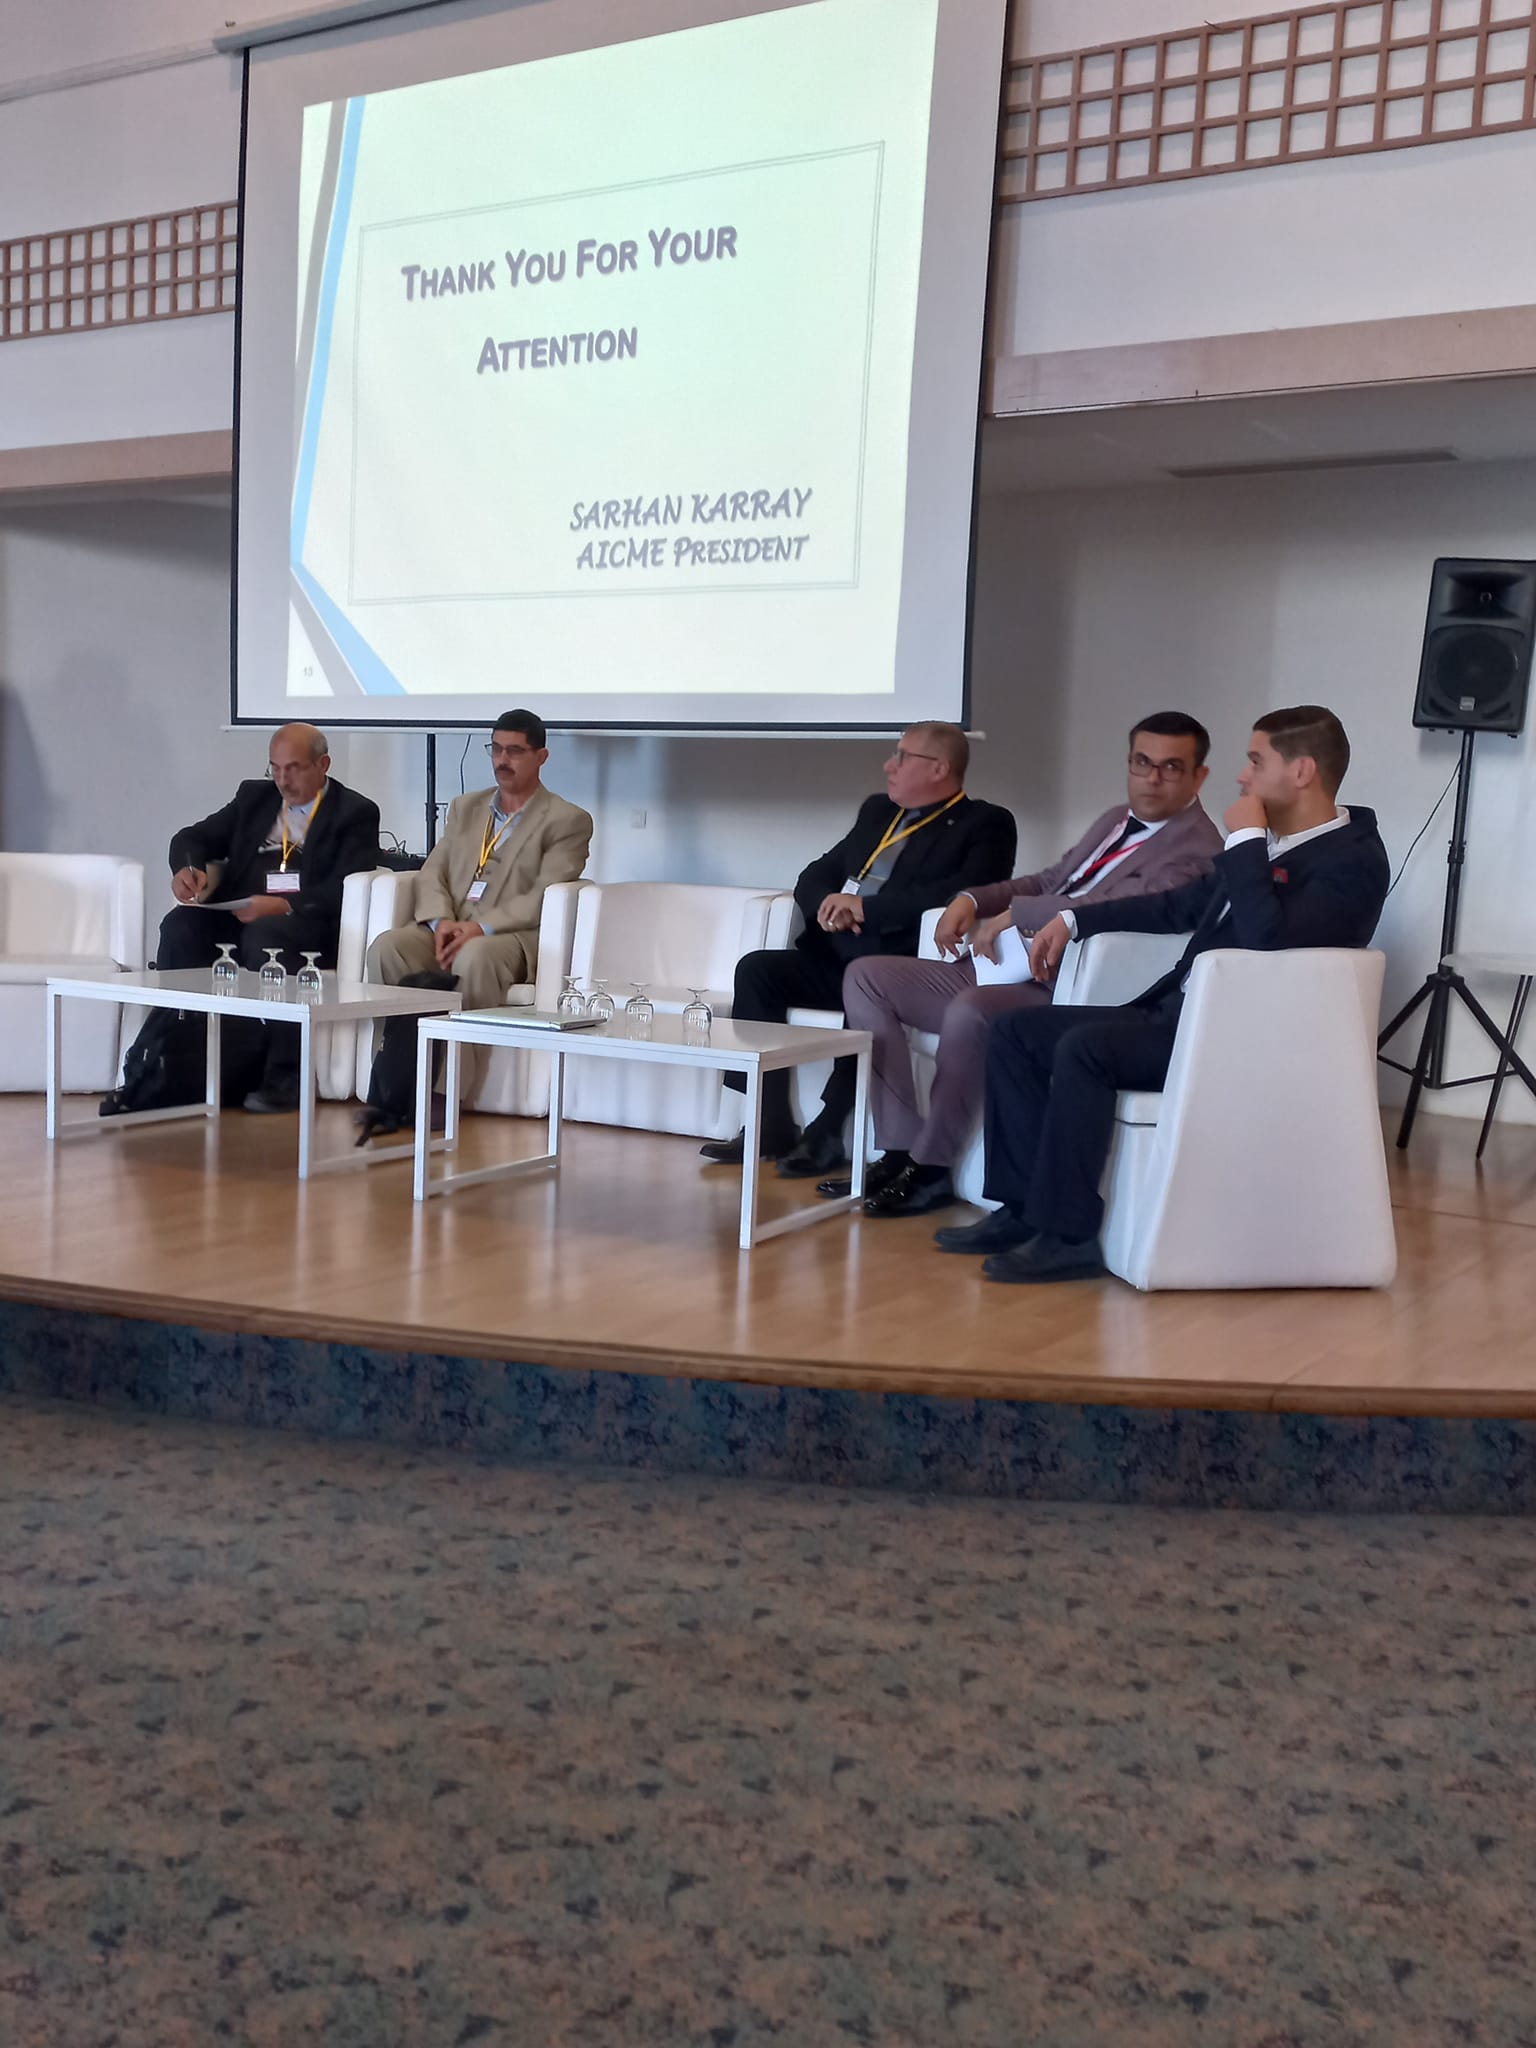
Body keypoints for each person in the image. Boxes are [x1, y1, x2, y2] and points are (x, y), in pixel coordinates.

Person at [935, 705, 1390, 1284]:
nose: (1242, 777)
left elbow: (1267, 943)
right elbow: (1177, 907)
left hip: (1242, 1038)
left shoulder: (1351, 859)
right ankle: (1021, 1208)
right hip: (1181, 1014)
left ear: (1301, 772)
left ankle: (1068, 1236)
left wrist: (1246, 838)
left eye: (1255, 762)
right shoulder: (1272, 845)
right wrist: (1075, 919)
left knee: (1084, 1048)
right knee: (1015, 1032)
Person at [837, 713, 1222, 1216]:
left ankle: (930, 1167)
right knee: (867, 978)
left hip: (1059, 982)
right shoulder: (1115, 818)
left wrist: (1017, 914)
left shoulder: (1198, 847)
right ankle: (898, 1145)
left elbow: (1121, 905)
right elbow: (1051, 879)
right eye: (1141, 763)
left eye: (1170, 767)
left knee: (972, 1009)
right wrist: (973, 899)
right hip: (1002, 962)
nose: (1152, 778)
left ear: (1199, 776)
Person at [699, 723, 1017, 1177]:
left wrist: (867, 909)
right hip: (833, 952)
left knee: (864, 980)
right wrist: (828, 905)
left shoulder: (986, 824)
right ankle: (767, 1123)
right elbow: (816, 873)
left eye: (902, 756)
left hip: (895, 965)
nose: (889, 766)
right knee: (757, 970)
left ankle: (829, 1128)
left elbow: (965, 893)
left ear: (939, 768)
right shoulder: (878, 811)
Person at [104, 723, 381, 1114]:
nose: (283, 780)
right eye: (275, 768)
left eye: (294, 768)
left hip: (304, 924)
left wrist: (284, 905)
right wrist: (188, 868)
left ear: (323, 764)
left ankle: (285, 1074)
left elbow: (345, 883)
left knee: (267, 936)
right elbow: (191, 837)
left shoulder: (354, 812)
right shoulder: (255, 797)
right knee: (181, 927)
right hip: (237, 914)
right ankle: (175, 1049)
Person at [364, 708, 592, 1102]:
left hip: (508, 937)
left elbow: (543, 893)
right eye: (496, 749)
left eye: (514, 751)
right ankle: (392, 1080)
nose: (502, 760)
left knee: (475, 956)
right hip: (450, 926)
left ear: (541, 756)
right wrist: (439, 922)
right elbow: (432, 872)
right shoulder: (466, 807)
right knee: (388, 947)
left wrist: (478, 928)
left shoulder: (567, 820)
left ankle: (446, 1092)